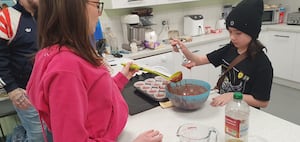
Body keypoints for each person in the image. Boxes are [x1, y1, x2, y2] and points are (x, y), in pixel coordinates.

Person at [26, 0, 163, 141]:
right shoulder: (66, 68)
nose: (98, 13)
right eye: (97, 5)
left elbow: (94, 96)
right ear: (74, 7)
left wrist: (121, 78)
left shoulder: (61, 52)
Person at [171, 0, 273, 109]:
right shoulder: (230, 49)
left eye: (238, 33)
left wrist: (233, 96)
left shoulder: (262, 64)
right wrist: (184, 50)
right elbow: (199, 60)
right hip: (223, 107)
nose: (232, 37)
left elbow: (263, 102)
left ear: (252, 33)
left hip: (243, 112)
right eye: (230, 32)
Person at [0, 0, 45, 141]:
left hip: (51, 90)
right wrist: (12, 89)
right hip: (26, 93)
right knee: (38, 136)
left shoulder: (47, 15)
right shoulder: (5, 18)